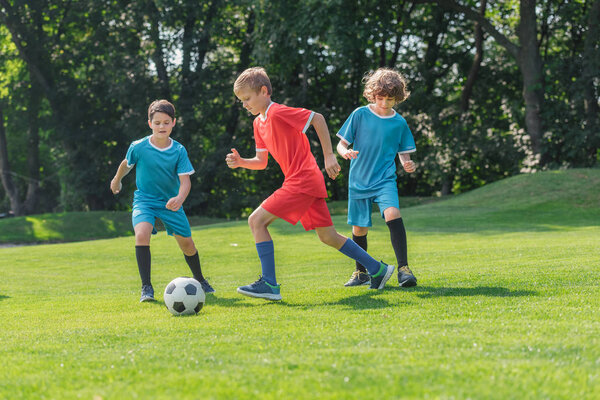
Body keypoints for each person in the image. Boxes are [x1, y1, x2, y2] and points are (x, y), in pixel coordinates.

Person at [225, 67, 394, 301]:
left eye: (247, 99)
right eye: (241, 101)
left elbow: (317, 119)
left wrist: (328, 156)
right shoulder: (258, 124)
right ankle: (378, 269)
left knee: (256, 220)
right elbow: (261, 162)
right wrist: (242, 162)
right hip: (303, 181)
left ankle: (270, 284)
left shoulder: (277, 112)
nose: (244, 105)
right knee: (328, 236)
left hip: (302, 180)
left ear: (264, 91)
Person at [110, 100, 214, 302]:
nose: (161, 127)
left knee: (187, 245)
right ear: (149, 123)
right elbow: (126, 164)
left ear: (174, 123)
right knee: (141, 235)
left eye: (166, 122)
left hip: (170, 203)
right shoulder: (138, 147)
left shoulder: (179, 150)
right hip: (145, 200)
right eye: (157, 122)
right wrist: (116, 180)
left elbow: (185, 182)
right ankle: (146, 287)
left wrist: (179, 198)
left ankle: (200, 279)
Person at [336, 68, 418, 288]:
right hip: (359, 180)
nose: (384, 103)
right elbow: (342, 143)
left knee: (393, 213)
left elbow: (404, 150)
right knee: (359, 229)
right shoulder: (360, 114)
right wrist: (344, 152)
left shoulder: (399, 122)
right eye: (380, 98)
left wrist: (406, 163)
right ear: (373, 95)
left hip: (384, 179)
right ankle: (360, 273)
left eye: (390, 99)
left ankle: (404, 269)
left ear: (398, 98)